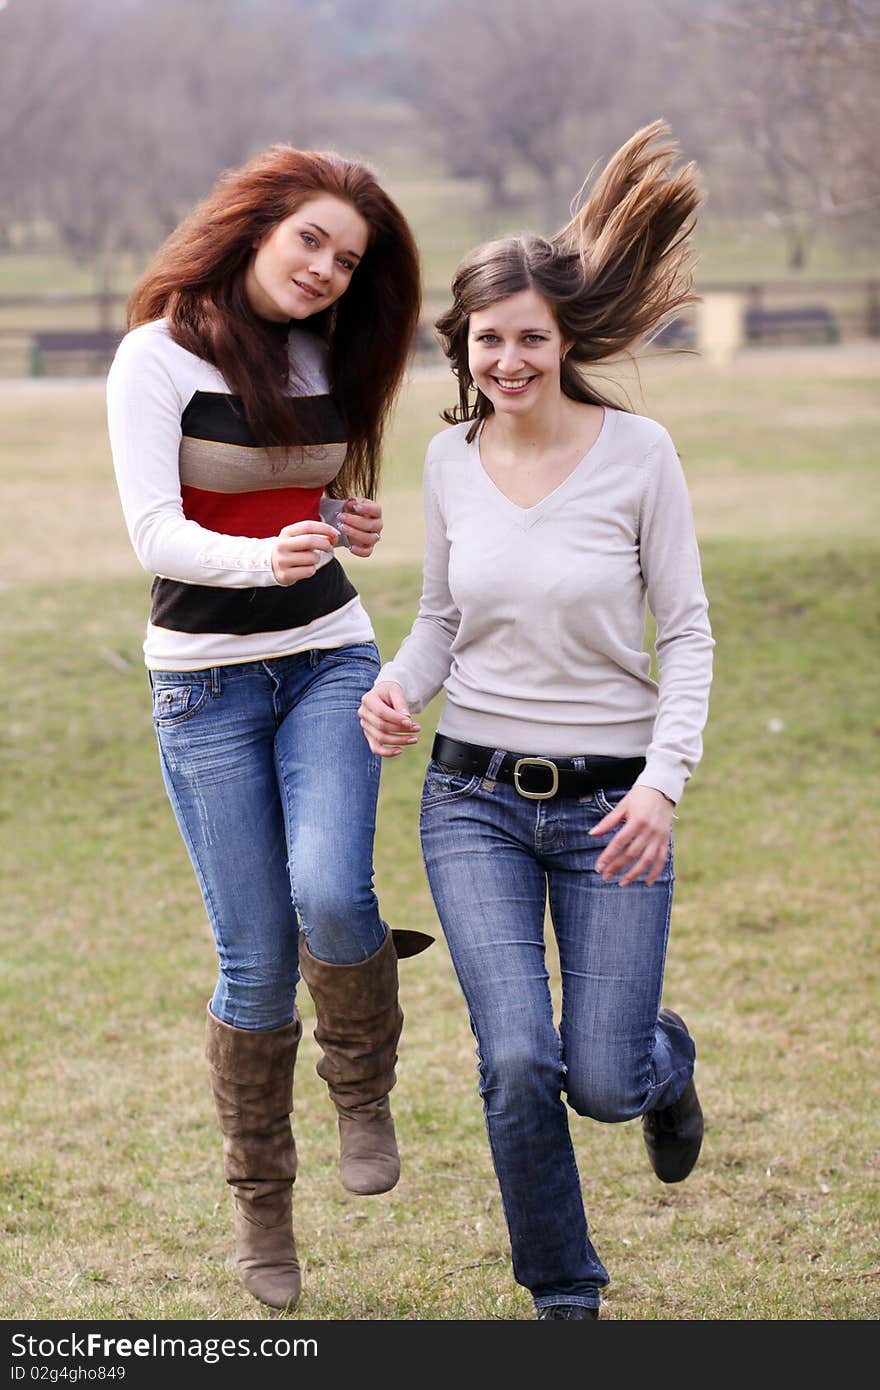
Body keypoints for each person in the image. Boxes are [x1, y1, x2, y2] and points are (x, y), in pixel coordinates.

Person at [358, 121, 714, 1321]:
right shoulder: (450, 459)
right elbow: (440, 620)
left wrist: (662, 783)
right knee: (517, 1061)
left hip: (615, 805)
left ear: (563, 341)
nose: (507, 360)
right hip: (472, 803)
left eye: (527, 339)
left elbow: (691, 636)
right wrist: (399, 685)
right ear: (462, 347)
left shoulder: (639, 456)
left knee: (602, 1079)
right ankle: (566, 1299)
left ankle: (665, 1067)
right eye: (486, 341)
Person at [106, 144, 431, 1313]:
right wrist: (260, 554)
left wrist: (342, 515)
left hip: (326, 655)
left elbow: (296, 488)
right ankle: (263, 1210)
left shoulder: (328, 352)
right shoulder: (155, 356)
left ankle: (363, 1087)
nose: (328, 270)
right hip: (204, 683)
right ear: (254, 226)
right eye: (312, 241)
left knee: (336, 895)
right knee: (252, 963)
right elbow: (156, 532)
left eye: (347, 259)